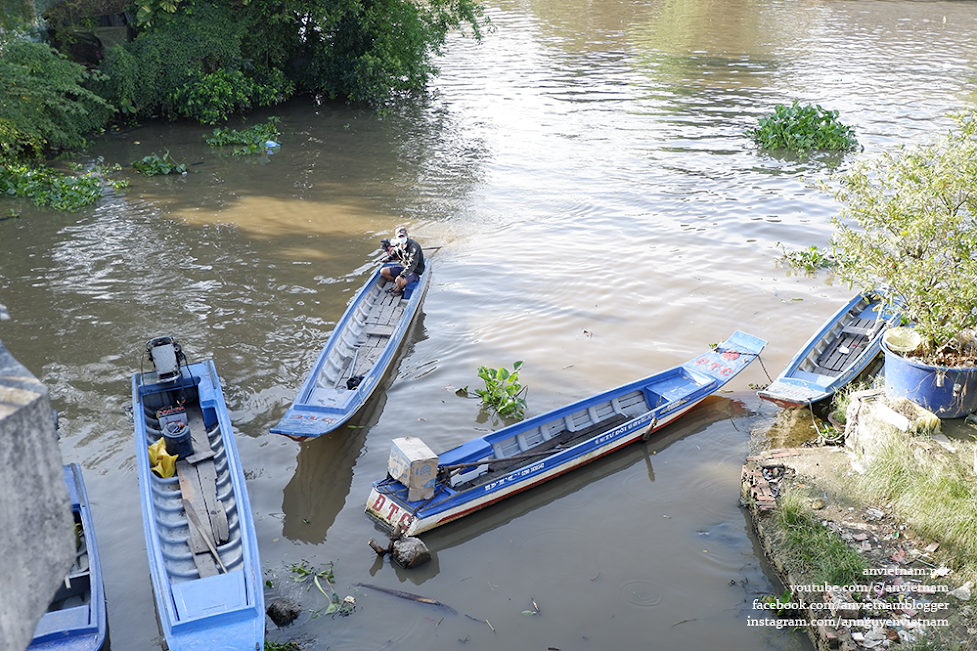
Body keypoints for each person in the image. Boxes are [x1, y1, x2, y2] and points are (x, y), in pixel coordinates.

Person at [380, 226, 425, 295]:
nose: (401, 238)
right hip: (403, 267)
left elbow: (413, 264)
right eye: (399, 236)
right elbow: (395, 253)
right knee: (383, 271)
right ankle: (399, 284)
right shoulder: (398, 245)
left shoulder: (414, 247)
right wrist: (389, 258)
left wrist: (402, 276)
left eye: (403, 236)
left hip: (414, 271)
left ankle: (399, 288)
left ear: (406, 235)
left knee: (402, 280)